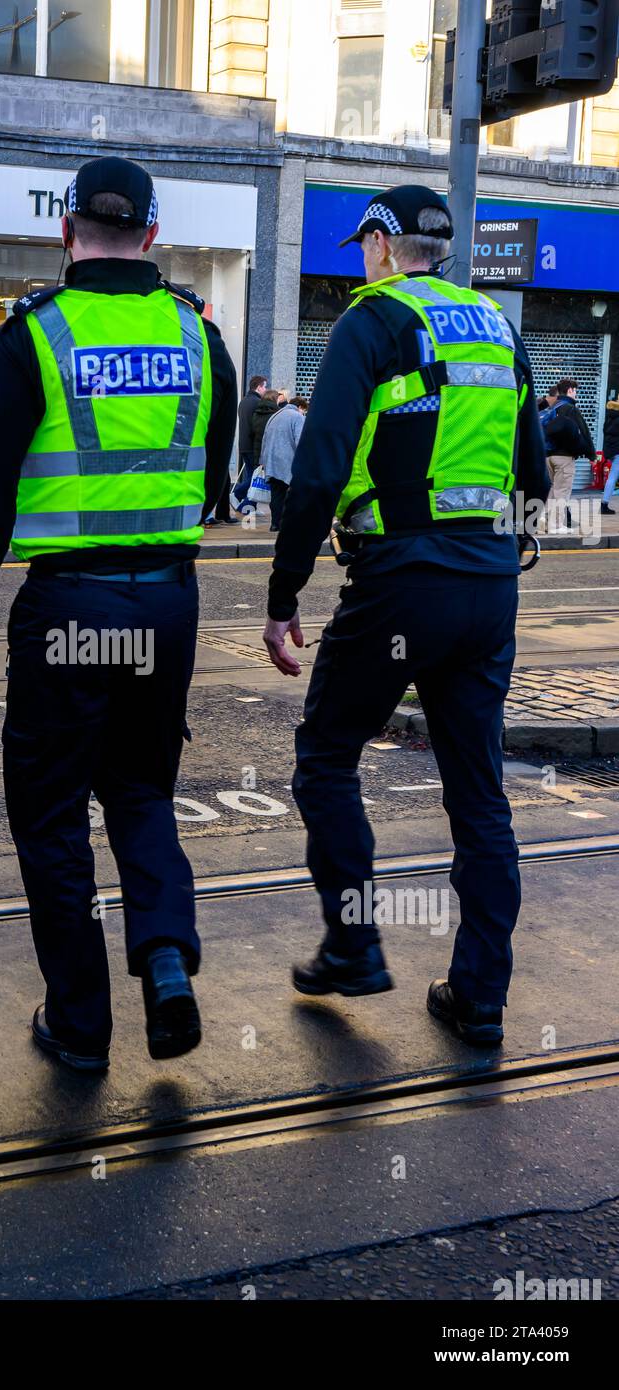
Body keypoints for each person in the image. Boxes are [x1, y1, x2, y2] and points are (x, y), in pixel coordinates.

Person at [0, 156, 237, 1069]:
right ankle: (164, 959)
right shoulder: (198, 337)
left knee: (54, 815)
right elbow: (217, 482)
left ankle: (79, 1022)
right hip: (167, 603)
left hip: (68, 608)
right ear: (151, 236)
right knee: (141, 792)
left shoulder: (36, 335)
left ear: (66, 232)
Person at [261, 185, 549, 1047]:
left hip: (397, 582)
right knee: (479, 793)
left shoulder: (371, 322)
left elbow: (316, 474)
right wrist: (500, 551)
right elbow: (531, 476)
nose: (360, 258)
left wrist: (281, 599)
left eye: (363, 244)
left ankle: (352, 945)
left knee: (324, 757)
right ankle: (479, 997)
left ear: (384, 244)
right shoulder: (497, 328)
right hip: (486, 586)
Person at [542, 377, 595, 534]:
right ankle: (555, 525)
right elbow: (584, 431)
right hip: (564, 457)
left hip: (548, 456)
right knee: (562, 491)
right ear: (570, 390)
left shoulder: (552, 407)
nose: (576, 394)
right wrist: (591, 455)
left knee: (552, 490)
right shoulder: (571, 408)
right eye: (575, 391)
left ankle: (544, 523)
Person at [260, 394, 307, 532]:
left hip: (271, 461)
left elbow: (264, 439)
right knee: (293, 494)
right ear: (300, 407)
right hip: (288, 462)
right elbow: (300, 442)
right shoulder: (297, 417)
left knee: (276, 495)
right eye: (304, 410)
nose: (304, 413)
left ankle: (275, 524)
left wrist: (262, 461)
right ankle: (290, 524)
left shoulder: (275, 416)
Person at [231, 374, 267, 512]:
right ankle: (237, 493)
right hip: (253, 445)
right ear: (258, 387)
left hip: (244, 444)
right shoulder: (257, 402)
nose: (266, 389)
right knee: (254, 476)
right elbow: (257, 426)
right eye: (265, 386)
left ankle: (250, 506)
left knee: (251, 474)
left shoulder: (244, 401)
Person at [249, 386, 288, 473]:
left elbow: (253, 431)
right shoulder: (276, 414)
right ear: (274, 399)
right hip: (271, 455)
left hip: (257, 451)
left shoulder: (256, 412)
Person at [602, 398, 619, 515]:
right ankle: (604, 504)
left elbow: (605, 432)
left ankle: (604, 504)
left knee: (612, 476)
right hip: (618, 450)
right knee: (613, 477)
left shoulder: (609, 417)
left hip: (610, 450)